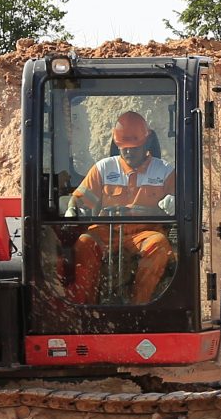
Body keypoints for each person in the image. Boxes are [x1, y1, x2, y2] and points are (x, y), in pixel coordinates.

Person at [68, 110, 177, 303]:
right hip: (107, 232)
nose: (128, 152)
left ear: (146, 143)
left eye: (134, 147)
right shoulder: (103, 169)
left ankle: (139, 305)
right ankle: (86, 307)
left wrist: (174, 203)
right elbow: (79, 199)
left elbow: (180, 204)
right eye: (123, 147)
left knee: (159, 245)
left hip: (144, 233)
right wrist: (72, 209)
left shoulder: (165, 172)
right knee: (84, 242)